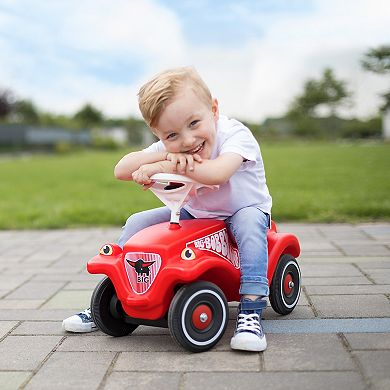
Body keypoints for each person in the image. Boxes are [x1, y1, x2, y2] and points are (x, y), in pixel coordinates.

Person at [62, 66, 272, 352]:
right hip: (197, 215)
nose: (187, 141)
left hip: (242, 209)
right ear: (158, 133)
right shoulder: (171, 147)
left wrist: (162, 166)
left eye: (194, 123)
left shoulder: (236, 135)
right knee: (139, 222)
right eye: (172, 134)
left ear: (213, 109)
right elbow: (121, 169)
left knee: (249, 224)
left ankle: (251, 309)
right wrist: (166, 153)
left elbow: (217, 174)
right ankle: (117, 296)